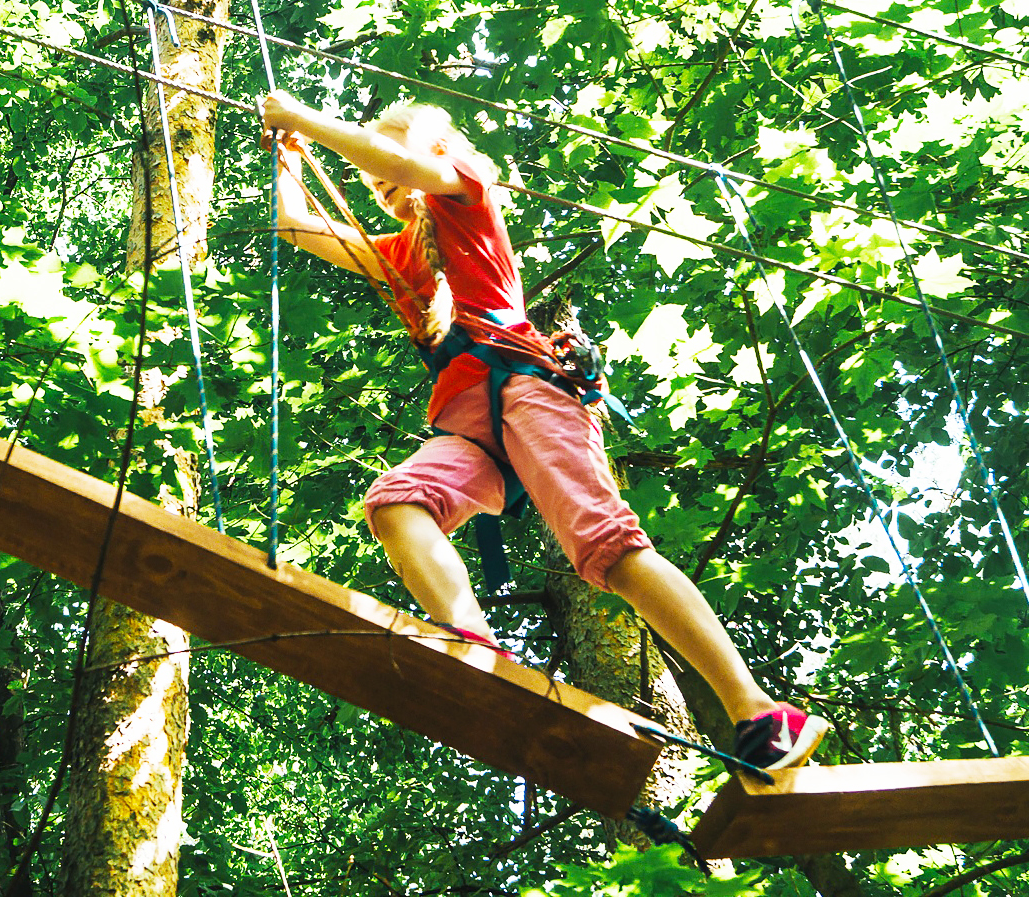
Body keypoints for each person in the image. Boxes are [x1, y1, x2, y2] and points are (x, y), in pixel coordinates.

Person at [259, 90, 827, 770]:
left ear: (433, 149)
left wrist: (308, 120)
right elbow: (298, 228)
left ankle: (758, 708)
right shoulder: (400, 257)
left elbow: (403, 167)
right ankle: (472, 642)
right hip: (471, 427)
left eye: (390, 173)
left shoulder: (465, 192)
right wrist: (288, 159)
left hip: (530, 391)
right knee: (395, 505)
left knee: (606, 549)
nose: (383, 189)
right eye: (377, 188)